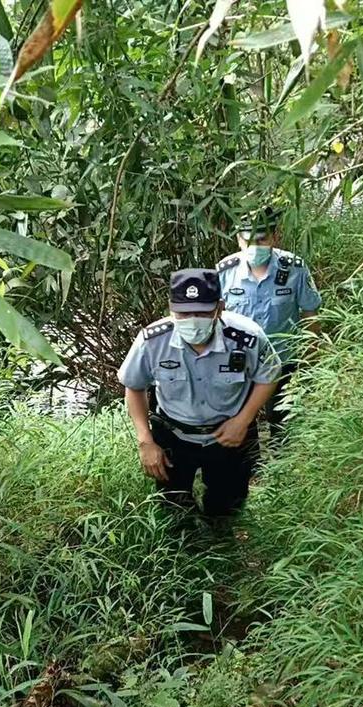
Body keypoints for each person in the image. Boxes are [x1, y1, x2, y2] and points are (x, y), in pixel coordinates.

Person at [117, 269, 281, 517]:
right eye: (183, 313)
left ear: (219, 307)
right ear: (171, 308)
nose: (193, 320)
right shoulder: (152, 341)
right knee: (172, 508)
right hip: (174, 435)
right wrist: (146, 442)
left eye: (203, 312)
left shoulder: (247, 337)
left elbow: (269, 375)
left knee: (228, 506)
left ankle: (223, 541)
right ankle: (185, 546)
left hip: (231, 434)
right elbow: (134, 386)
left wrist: (243, 420)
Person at [216, 207, 321, 436]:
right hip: (239, 362)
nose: (255, 246)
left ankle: (281, 468)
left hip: (283, 360)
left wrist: (310, 356)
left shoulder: (294, 268)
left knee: (282, 424)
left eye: (262, 239)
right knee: (240, 424)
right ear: (238, 240)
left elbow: (310, 312)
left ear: (275, 237)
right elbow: (215, 317)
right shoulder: (225, 272)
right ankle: (251, 470)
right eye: (248, 240)